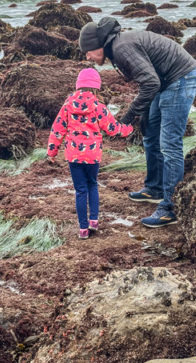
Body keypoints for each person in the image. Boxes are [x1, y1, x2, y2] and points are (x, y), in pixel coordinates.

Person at [79, 16, 196, 228]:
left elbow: (150, 82)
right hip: (164, 82)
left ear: (98, 45)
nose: (88, 57)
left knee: (170, 144)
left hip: (181, 78)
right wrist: (143, 115)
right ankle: (154, 188)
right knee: (150, 135)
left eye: (88, 51)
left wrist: (129, 115)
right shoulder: (117, 47)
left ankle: (170, 208)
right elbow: (151, 80)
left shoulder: (121, 49)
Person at [47, 67, 133, 239]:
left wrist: (52, 151)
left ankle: (83, 230)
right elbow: (112, 128)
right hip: (93, 156)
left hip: (74, 156)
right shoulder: (98, 106)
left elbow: (58, 129)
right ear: (96, 87)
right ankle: (94, 220)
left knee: (80, 190)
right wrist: (128, 129)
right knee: (92, 184)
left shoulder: (67, 105)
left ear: (78, 86)